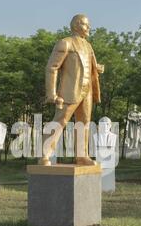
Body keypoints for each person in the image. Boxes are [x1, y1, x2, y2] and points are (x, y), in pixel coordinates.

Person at [40, 14, 104, 166]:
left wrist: (98, 67)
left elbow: (90, 65)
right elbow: (52, 68)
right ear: (76, 25)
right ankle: (45, 154)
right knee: (60, 121)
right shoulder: (65, 43)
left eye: (88, 25)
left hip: (87, 91)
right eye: (85, 24)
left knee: (84, 122)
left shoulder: (88, 46)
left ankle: (82, 156)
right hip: (70, 90)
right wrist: (52, 94)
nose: (89, 28)